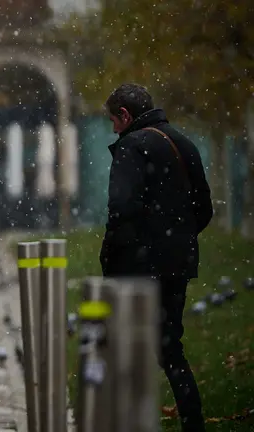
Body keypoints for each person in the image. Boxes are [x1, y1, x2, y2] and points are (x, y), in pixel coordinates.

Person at [99, 83, 213, 431]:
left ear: (125, 115)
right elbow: (204, 209)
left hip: (136, 267)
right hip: (176, 265)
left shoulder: (132, 147)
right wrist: (176, 242)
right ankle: (193, 422)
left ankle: (125, 420)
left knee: (125, 347)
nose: (113, 129)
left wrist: (114, 257)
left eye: (114, 122)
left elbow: (121, 209)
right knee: (169, 348)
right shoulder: (184, 143)